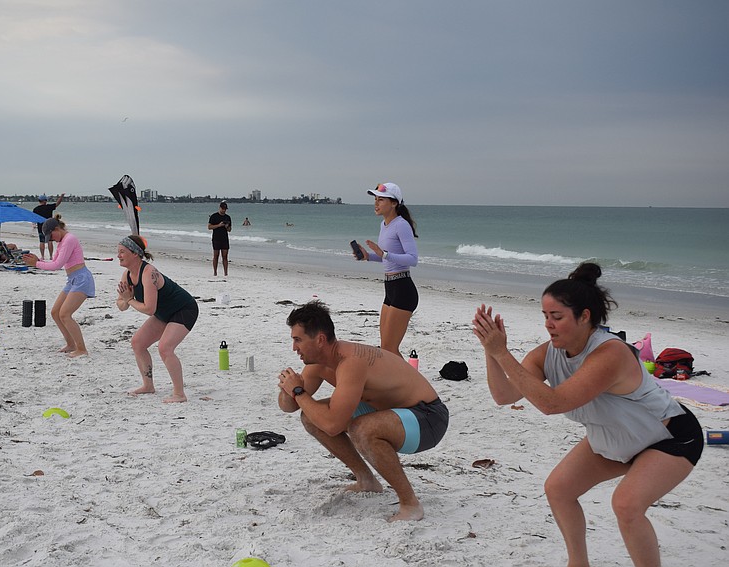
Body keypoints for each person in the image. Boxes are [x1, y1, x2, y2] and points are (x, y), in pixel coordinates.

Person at [471, 262, 703, 566]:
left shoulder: (610, 353)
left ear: (584, 317)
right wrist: (491, 350)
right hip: (617, 436)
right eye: (545, 316)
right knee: (559, 489)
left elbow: (551, 404)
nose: (548, 324)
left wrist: (503, 353)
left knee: (626, 505)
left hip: (668, 435)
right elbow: (504, 395)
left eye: (557, 317)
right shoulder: (547, 353)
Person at [277, 301, 449, 522]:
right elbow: (289, 407)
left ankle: (410, 504)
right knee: (311, 416)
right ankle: (366, 480)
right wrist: (287, 388)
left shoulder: (351, 362)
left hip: (428, 418)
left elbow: (333, 425)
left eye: (298, 340)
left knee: (362, 429)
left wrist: (299, 392)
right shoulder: (317, 363)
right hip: (392, 412)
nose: (294, 347)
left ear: (320, 340)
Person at [115, 235, 199, 402]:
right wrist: (126, 299)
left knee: (165, 348)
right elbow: (121, 305)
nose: (118, 255)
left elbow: (149, 309)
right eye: (118, 252)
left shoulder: (149, 273)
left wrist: (130, 300)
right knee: (138, 343)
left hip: (184, 309)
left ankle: (179, 394)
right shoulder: (127, 275)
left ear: (135, 254)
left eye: (122, 252)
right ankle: (148, 385)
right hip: (164, 313)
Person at [354, 182, 419, 357]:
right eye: (375, 199)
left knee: (390, 349)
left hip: (403, 289)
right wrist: (368, 256)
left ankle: (409, 383)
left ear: (394, 203)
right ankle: (396, 382)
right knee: (385, 347)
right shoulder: (384, 225)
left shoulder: (401, 225)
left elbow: (413, 259)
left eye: (380, 199)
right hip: (390, 288)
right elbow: (386, 257)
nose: (376, 203)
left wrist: (384, 254)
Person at [22, 215, 94, 358]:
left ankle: (81, 349)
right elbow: (53, 262)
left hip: (82, 280)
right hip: (72, 279)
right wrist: (38, 260)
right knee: (55, 313)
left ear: (57, 229)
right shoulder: (62, 242)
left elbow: (56, 265)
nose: (52, 239)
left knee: (65, 314)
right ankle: (71, 344)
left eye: (52, 235)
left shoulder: (69, 239)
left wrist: (36, 264)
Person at [33, 193, 65, 260]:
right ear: (45, 200)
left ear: (39, 201)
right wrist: (61, 197)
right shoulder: (49, 207)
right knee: (50, 241)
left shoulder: (35, 209)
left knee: (42, 242)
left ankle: (42, 256)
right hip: (49, 226)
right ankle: (51, 256)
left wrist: (33, 224)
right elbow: (57, 203)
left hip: (40, 227)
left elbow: (34, 219)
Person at [207, 201, 232, 276]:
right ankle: (215, 272)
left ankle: (226, 273)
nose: (224, 210)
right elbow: (209, 227)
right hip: (216, 238)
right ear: (220, 208)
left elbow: (230, 230)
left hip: (224, 238)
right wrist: (218, 225)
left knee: (225, 256)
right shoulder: (214, 216)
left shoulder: (228, 217)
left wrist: (227, 226)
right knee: (216, 256)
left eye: (225, 209)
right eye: (223, 209)